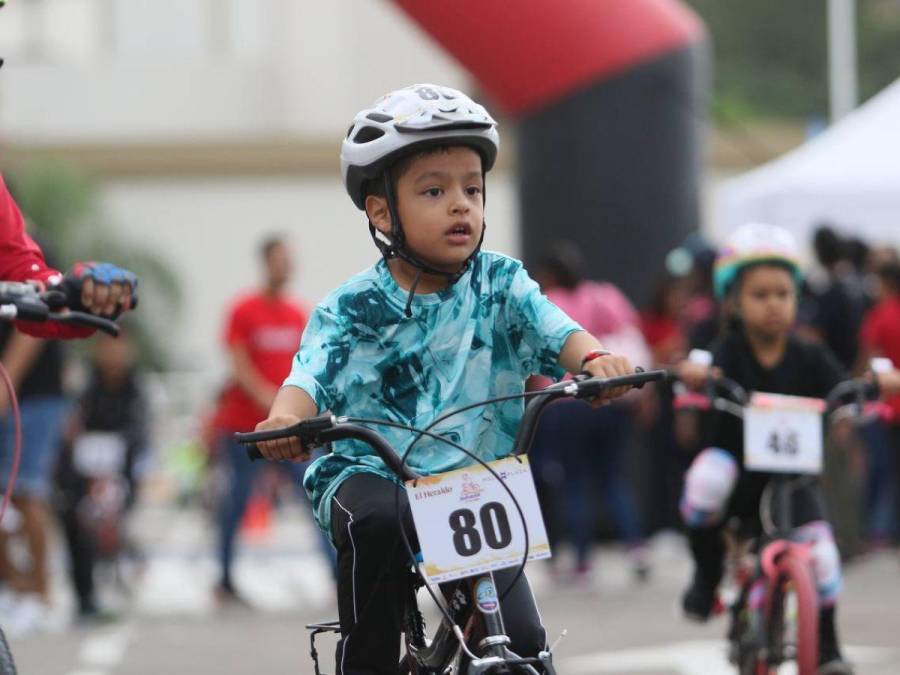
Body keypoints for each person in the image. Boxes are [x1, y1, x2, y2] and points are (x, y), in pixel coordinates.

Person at [250, 84, 634, 675]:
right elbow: (309, 375)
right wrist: (284, 419)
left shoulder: (502, 283)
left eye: (472, 189)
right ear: (381, 211)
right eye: (434, 190)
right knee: (376, 522)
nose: (461, 205)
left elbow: (561, 333)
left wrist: (596, 362)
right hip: (371, 472)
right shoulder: (351, 307)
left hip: (470, 487)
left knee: (524, 647)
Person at [675, 223, 900, 675]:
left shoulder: (809, 354)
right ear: (734, 301)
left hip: (795, 479)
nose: (775, 303)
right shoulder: (727, 350)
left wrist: (873, 386)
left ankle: (829, 643)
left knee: (824, 556)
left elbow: (842, 387)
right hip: (735, 468)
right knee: (703, 483)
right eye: (760, 295)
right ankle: (706, 573)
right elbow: (697, 370)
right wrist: (696, 375)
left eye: (783, 292)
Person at [0, 175, 137, 633]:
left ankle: (32, 591)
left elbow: (28, 277)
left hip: (34, 397)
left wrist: (82, 294)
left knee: (25, 490)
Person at [213, 236, 331, 604]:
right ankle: (225, 580)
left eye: (289, 260)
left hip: (291, 430)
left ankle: (340, 574)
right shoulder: (243, 310)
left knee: (316, 496)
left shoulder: (298, 313)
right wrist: (269, 398)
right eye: (279, 260)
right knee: (234, 504)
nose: (286, 266)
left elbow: (309, 363)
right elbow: (237, 361)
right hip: (247, 428)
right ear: (265, 262)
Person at [530, 241, 651, 583]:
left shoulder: (548, 304)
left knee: (574, 480)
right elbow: (633, 335)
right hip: (611, 395)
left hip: (565, 403)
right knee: (612, 476)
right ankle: (635, 546)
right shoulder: (606, 296)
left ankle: (582, 559)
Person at [54, 328, 148, 622]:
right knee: (73, 513)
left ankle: (119, 563)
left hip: (118, 476)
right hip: (83, 477)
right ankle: (85, 596)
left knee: (103, 512)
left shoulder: (136, 393)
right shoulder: (86, 390)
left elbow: (138, 442)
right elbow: (69, 437)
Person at [859, 261, 900, 545]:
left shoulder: (879, 316)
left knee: (880, 470)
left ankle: (877, 530)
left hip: (883, 407)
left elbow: (867, 357)